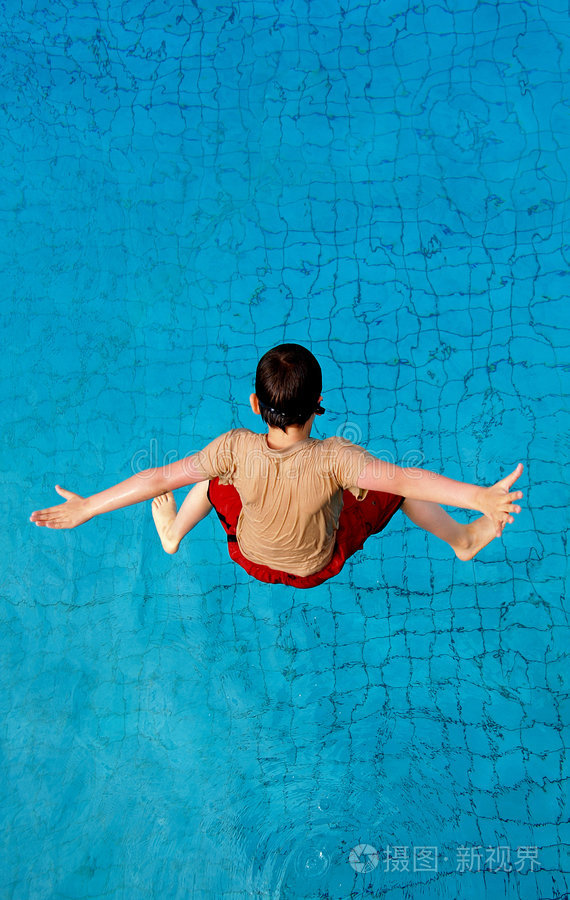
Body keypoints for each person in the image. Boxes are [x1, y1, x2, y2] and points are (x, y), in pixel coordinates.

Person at [30, 343, 523, 589]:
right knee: (399, 491)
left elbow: (158, 477)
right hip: (315, 566)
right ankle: (464, 541)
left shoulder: (235, 447)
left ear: (254, 404)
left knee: (210, 474)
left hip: (249, 557)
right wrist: (479, 497)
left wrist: (88, 508)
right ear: (319, 405)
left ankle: (173, 534)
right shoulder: (337, 458)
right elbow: (408, 478)